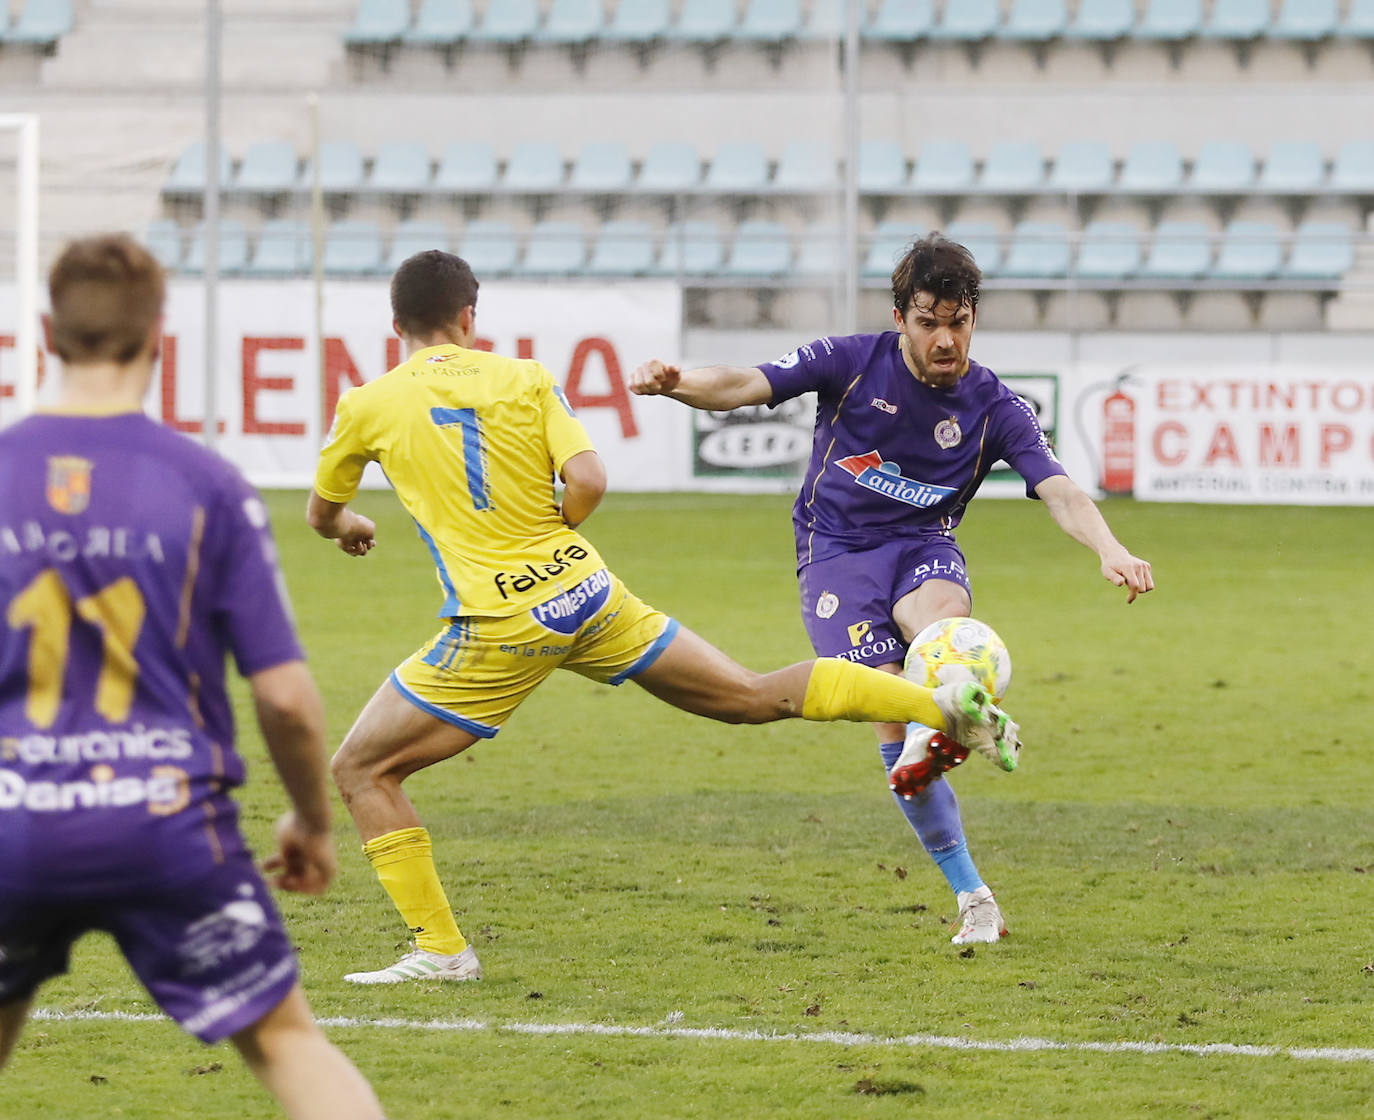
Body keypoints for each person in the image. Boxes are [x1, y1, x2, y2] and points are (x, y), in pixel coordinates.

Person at [306, 249, 1020, 985]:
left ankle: (441, 949)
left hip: (498, 622)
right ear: (469, 319)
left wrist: (350, 527)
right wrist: (557, 528)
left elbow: (321, 512)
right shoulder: (523, 377)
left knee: (361, 769)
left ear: (395, 326)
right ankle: (936, 703)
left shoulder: (367, 404)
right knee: (748, 695)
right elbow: (587, 480)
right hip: (588, 593)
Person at [630, 232, 1153, 946]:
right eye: (929, 320)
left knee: (946, 629)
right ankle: (973, 890)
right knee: (883, 701)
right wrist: (677, 382)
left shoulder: (996, 406)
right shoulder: (850, 362)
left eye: (958, 321)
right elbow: (744, 384)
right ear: (903, 317)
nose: (945, 338)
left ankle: (928, 735)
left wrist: (1110, 548)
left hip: (922, 548)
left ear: (973, 318)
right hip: (837, 555)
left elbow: (1058, 488)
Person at [0, 235, 385, 1120]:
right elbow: (284, 695)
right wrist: (312, 823)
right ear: (157, 336)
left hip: (17, 824)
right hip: (166, 824)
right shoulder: (205, 483)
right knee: (289, 1045)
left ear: (47, 331)